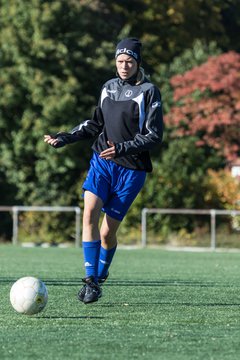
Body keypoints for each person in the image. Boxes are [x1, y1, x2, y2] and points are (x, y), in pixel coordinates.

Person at [44, 38, 163, 304]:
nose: (124, 66)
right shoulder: (107, 87)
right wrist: (65, 137)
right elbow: (94, 123)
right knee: (89, 213)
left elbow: (155, 136)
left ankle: (101, 274)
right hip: (102, 162)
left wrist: (122, 149)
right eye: (120, 61)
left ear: (137, 63)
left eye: (129, 61)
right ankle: (90, 281)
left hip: (131, 170)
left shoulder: (149, 91)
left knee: (108, 233)